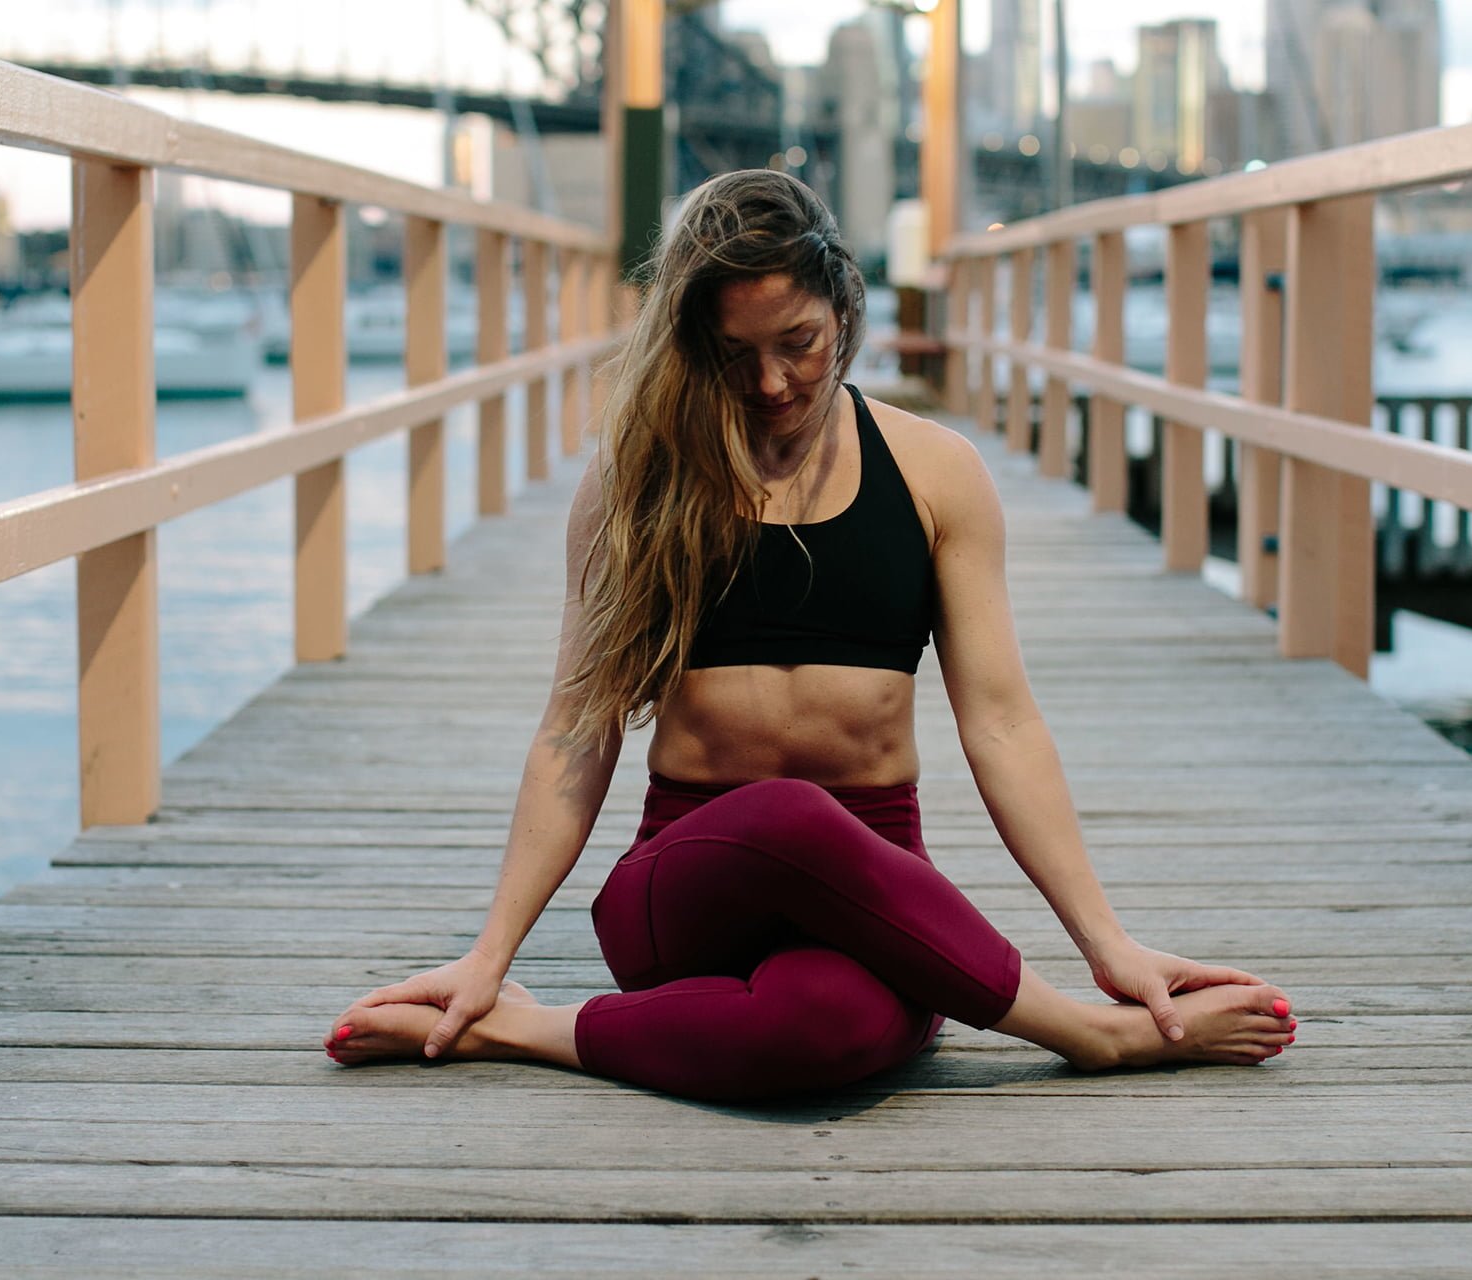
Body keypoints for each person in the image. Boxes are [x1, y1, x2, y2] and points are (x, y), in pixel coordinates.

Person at [323, 170, 1295, 1101]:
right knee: (787, 811)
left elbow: (1000, 723)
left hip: (874, 877)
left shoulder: (936, 473)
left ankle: (525, 1029)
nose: (775, 383)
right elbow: (578, 725)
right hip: (685, 884)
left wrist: (1108, 941)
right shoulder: (637, 479)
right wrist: (487, 953)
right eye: (735, 354)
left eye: (800, 342)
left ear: (846, 309)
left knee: (831, 1027)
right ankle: (1090, 1034)